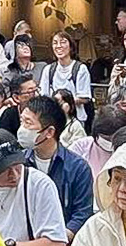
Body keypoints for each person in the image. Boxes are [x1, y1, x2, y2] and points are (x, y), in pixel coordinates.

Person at [24, 93, 96, 235]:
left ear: (49, 132)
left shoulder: (78, 167)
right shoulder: (20, 163)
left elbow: (82, 213)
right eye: (22, 121)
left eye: (28, 123)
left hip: (62, 240)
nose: (23, 129)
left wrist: (58, 239)